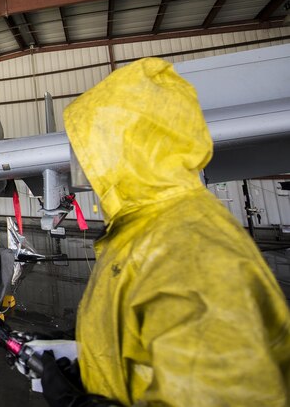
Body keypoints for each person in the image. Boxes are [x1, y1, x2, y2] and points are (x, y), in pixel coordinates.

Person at [41, 57, 290, 406]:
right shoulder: (148, 228)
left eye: (94, 148)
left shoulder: (188, 248)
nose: (83, 165)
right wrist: (93, 344)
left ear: (130, 149)